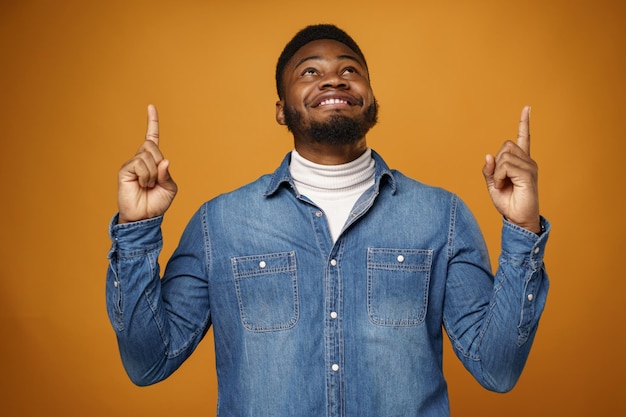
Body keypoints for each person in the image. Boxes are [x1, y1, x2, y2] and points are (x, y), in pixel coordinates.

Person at [107, 24, 549, 416]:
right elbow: (149, 363)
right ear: (281, 110)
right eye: (310, 72)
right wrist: (136, 231)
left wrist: (522, 230)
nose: (334, 78)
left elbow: (497, 369)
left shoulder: (442, 216)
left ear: (371, 99)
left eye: (350, 70)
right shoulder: (220, 224)